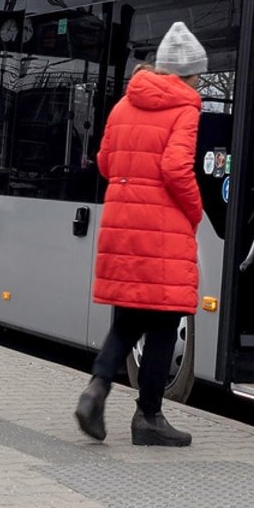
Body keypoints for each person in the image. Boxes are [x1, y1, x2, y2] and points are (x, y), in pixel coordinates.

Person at [74, 22, 207, 446]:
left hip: (123, 225)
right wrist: (194, 210)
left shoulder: (122, 105)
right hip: (163, 230)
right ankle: (148, 417)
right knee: (167, 322)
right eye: (198, 74)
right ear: (185, 75)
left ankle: (96, 389)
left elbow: (106, 162)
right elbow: (175, 168)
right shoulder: (185, 107)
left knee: (128, 320)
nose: (200, 82)